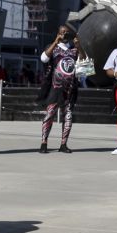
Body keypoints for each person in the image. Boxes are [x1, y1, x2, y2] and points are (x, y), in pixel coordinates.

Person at [38, 26, 79, 154]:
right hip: (55, 88)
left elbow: (85, 64)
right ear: (58, 33)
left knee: (68, 116)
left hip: (70, 89)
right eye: (62, 32)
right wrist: (56, 41)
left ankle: (63, 144)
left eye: (66, 33)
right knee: (49, 114)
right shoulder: (53, 47)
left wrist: (79, 46)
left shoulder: (74, 49)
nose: (64, 35)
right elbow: (43, 58)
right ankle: (44, 143)